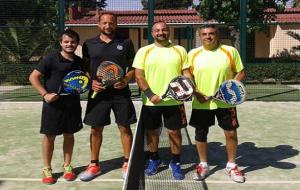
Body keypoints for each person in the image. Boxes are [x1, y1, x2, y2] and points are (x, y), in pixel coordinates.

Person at [79, 12, 136, 181]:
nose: (107, 26)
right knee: (96, 129)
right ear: (98, 25)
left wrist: (126, 79)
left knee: (124, 127)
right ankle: (94, 164)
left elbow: (133, 66)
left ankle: (127, 162)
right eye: (104, 23)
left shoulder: (125, 43)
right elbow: (85, 69)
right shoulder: (89, 44)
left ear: (116, 24)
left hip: (121, 93)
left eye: (111, 23)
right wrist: (91, 83)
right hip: (98, 94)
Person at [133, 21, 192, 180]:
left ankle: (176, 162)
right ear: (152, 33)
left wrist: (188, 88)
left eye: (164, 30)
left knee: (175, 132)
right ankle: (154, 158)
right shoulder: (144, 51)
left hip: (175, 102)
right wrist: (151, 94)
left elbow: (186, 73)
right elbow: (139, 75)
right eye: (157, 30)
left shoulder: (179, 50)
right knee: (152, 132)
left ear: (169, 31)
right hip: (151, 101)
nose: (161, 32)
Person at [188, 24, 246, 183]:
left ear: (217, 35)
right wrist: (196, 93)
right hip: (201, 103)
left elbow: (241, 72)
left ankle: (232, 165)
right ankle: (203, 164)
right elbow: (187, 76)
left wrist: (229, 89)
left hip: (226, 103)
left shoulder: (230, 51)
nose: (208, 36)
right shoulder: (193, 54)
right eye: (204, 34)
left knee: (231, 133)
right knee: (200, 134)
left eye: (211, 33)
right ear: (200, 37)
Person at [29, 29, 83, 184]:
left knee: (69, 134)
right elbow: (33, 77)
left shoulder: (78, 61)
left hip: (72, 105)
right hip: (53, 106)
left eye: (72, 42)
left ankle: (67, 166)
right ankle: (47, 168)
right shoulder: (50, 59)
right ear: (60, 43)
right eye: (66, 41)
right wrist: (45, 94)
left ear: (76, 43)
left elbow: (83, 79)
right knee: (50, 136)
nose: (69, 44)